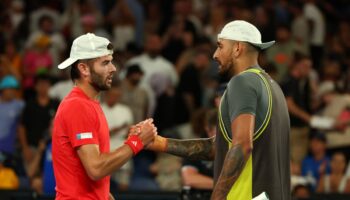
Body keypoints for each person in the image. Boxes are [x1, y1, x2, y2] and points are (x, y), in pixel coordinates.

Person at [146, 20, 291, 199]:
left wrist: (217, 197)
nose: (215, 55)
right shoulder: (273, 86)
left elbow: (242, 145)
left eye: (220, 46)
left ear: (237, 48)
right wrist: (161, 143)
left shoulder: (242, 82)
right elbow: (218, 147)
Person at [52, 33, 157, 200]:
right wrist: (137, 142)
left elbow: (89, 170)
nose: (114, 68)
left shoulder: (89, 104)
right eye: (105, 63)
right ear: (84, 69)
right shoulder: (78, 106)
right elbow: (96, 168)